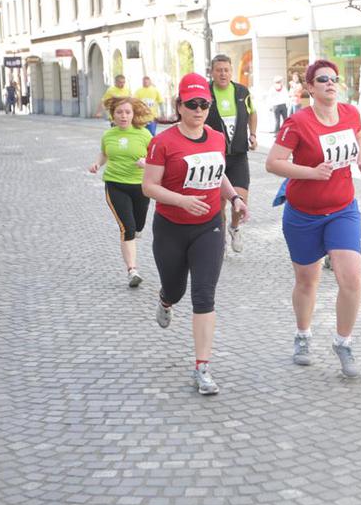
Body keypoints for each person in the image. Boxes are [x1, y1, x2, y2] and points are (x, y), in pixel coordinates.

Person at [142, 73, 248, 395]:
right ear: (179, 106)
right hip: (171, 227)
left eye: (204, 104)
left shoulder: (216, 138)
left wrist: (234, 197)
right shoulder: (163, 142)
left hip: (209, 226)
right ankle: (165, 300)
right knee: (175, 289)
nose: (199, 110)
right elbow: (149, 186)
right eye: (192, 104)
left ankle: (202, 367)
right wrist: (181, 201)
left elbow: (220, 174)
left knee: (204, 295)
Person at [265, 59, 361, 378]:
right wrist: (311, 173)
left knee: (351, 278)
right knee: (307, 280)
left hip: (342, 209)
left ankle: (343, 342)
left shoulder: (350, 113)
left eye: (334, 78)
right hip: (303, 213)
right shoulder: (298, 122)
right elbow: (273, 162)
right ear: (310, 87)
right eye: (322, 79)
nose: (330, 83)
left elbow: (360, 135)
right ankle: (303, 335)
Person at [88, 97, 154, 288]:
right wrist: (97, 164)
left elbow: (156, 157)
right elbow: (104, 154)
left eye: (127, 112)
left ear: (133, 114)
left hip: (140, 186)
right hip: (115, 184)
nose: (123, 116)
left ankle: (136, 231)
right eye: (119, 112)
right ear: (113, 115)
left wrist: (146, 162)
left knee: (138, 224)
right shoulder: (108, 135)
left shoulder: (144, 135)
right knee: (127, 227)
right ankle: (132, 270)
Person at [205, 54, 257, 253]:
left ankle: (234, 228)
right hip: (214, 157)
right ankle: (221, 239)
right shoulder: (206, 93)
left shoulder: (242, 91)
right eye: (219, 70)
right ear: (212, 72)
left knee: (240, 198)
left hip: (238, 154)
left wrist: (253, 134)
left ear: (231, 71)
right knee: (219, 203)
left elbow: (253, 112)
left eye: (226, 70)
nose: (223, 74)